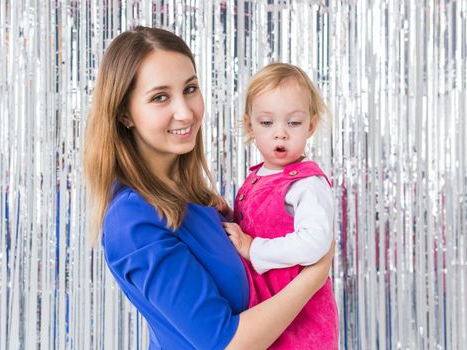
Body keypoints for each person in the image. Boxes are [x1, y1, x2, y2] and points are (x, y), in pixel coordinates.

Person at [83, 26, 334, 350]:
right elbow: (224, 343)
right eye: (160, 97)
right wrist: (313, 278)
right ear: (124, 114)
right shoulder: (132, 220)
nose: (185, 111)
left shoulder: (197, 200)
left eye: (189, 89)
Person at [223, 63, 339, 349]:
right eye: (267, 123)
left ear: (310, 125)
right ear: (250, 125)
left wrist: (254, 249)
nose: (281, 133)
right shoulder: (257, 176)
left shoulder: (307, 184)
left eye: (294, 123)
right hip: (265, 310)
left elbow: (315, 243)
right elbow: (257, 222)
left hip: (300, 318)